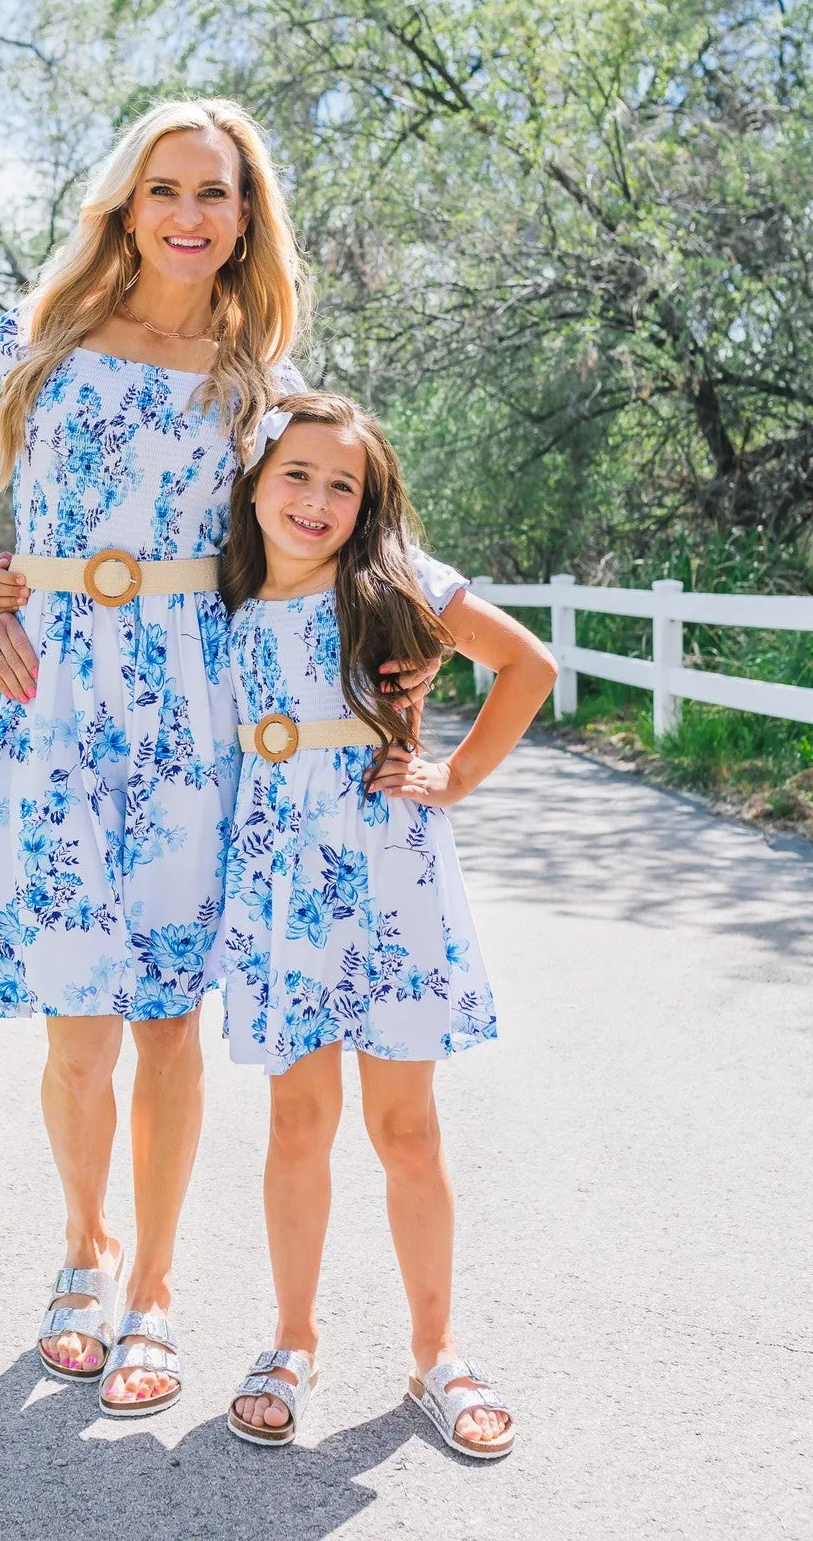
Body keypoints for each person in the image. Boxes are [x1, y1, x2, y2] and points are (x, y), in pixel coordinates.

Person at [0, 100, 444, 1418]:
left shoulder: (253, 381)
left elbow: (328, 527)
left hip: (193, 710)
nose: (191, 215)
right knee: (77, 1021)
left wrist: (405, 642)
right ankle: (82, 1250)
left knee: (167, 1023)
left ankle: (154, 1289)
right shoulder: (37, 339)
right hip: (51, 700)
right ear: (127, 204)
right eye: (168, 190)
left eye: (217, 193)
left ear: (246, 217)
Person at [215, 391, 557, 1457]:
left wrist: (452, 775)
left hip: (389, 886)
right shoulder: (219, 596)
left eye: (342, 485)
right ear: (257, 482)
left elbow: (528, 666)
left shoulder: (398, 586)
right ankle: (291, 1342)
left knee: (405, 1129)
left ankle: (436, 1353)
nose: (315, 500)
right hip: (280, 891)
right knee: (296, 1124)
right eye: (297, 475)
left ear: (368, 504)